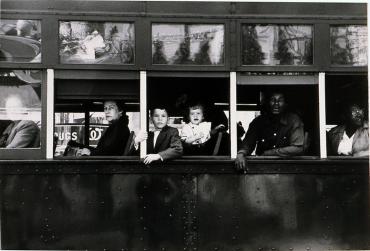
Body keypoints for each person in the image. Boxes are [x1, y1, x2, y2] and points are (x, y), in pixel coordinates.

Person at [235, 91, 304, 170]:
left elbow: (298, 148)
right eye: (272, 100)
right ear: (267, 103)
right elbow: (248, 143)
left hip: (287, 168)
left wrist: (269, 153)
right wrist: (241, 154)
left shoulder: (293, 120)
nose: (276, 104)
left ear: (285, 104)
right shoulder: (258, 121)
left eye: (280, 100)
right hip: (262, 168)